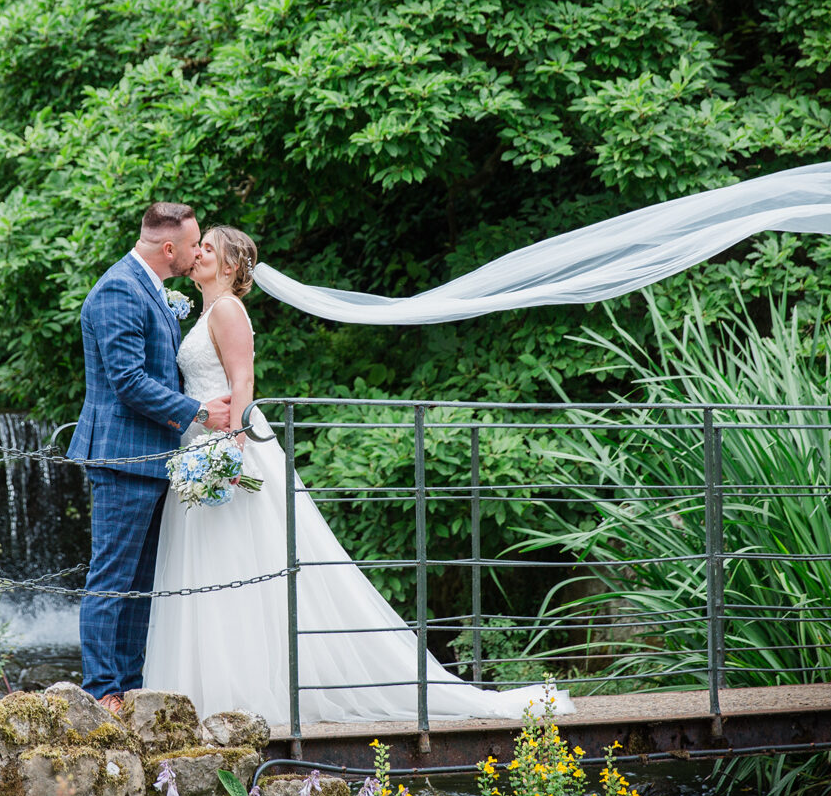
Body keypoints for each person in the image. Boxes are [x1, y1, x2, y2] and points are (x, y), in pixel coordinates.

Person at [143, 226, 573, 724]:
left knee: (241, 570)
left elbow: (244, 382)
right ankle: (209, 692)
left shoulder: (228, 311)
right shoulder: (204, 312)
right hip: (201, 447)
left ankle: (245, 697)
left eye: (209, 249)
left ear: (232, 265)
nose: (198, 255)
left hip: (229, 449)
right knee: (215, 569)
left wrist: (233, 449)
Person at [68, 203, 231, 715]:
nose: (197, 251)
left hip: (152, 455)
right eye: (193, 243)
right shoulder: (120, 288)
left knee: (140, 583)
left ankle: (129, 685)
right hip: (123, 456)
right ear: (169, 248)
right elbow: (129, 381)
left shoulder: (148, 286)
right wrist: (199, 412)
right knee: (113, 578)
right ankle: (101, 692)